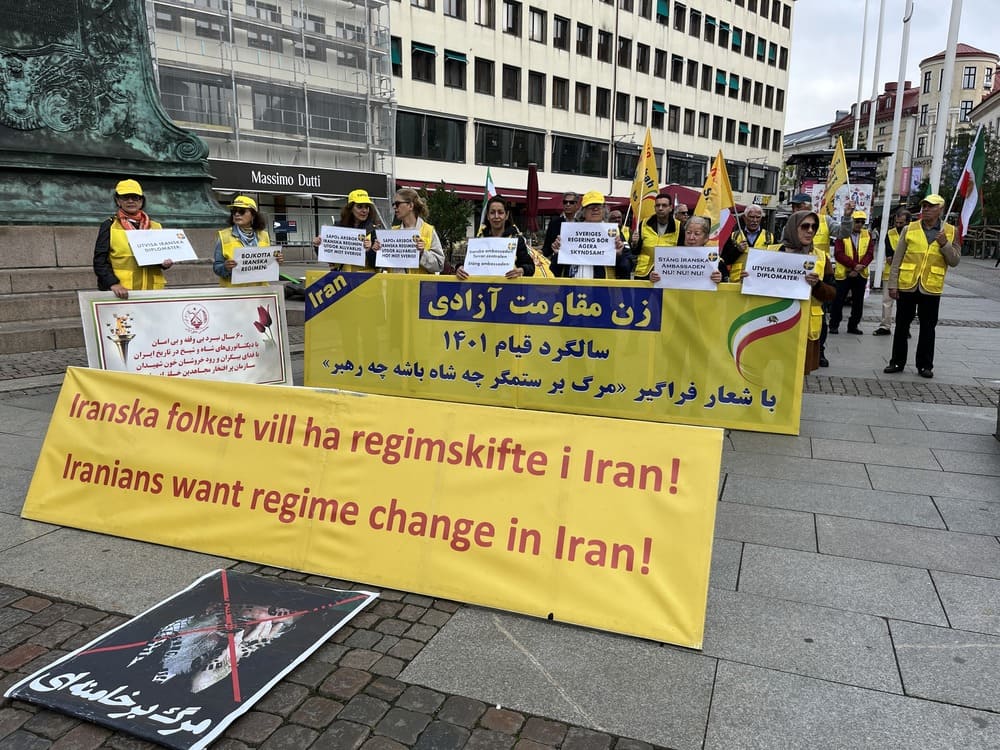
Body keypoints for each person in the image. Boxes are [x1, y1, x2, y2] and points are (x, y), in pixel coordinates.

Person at [883, 194, 961, 378]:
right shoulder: (909, 229)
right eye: (924, 206)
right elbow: (897, 259)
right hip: (908, 284)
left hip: (931, 286)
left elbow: (954, 261)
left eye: (931, 206)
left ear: (940, 209)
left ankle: (925, 365)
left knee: (928, 327)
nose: (926, 209)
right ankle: (897, 361)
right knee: (902, 326)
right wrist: (893, 284)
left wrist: (945, 244)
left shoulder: (951, 231)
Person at [93, 179, 173, 299]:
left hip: (152, 291)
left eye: (135, 197)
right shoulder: (109, 226)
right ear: (118, 201)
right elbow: (100, 261)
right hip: (123, 291)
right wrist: (112, 283)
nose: (130, 201)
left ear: (141, 201)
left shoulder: (156, 226)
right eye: (125, 197)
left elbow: (159, 258)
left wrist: (165, 264)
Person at [779, 210, 836, 374]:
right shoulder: (773, 252)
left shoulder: (821, 257)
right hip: (776, 326)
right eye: (805, 226)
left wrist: (817, 285)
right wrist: (748, 278)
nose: (810, 231)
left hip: (806, 328)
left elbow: (832, 293)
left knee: (799, 375)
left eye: (814, 227)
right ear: (793, 228)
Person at [550, 191, 632, 279]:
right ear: (583, 211)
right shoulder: (571, 232)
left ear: (604, 210)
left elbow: (627, 268)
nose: (595, 209)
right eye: (590, 206)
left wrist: (618, 256)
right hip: (572, 285)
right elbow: (554, 271)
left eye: (599, 206)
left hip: (602, 286)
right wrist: (558, 255)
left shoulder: (615, 233)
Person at [456, 195, 535, 279]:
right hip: (483, 286)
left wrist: (521, 270)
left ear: (507, 215)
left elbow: (530, 267)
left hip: (509, 286)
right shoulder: (479, 239)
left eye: (500, 212)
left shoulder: (516, 240)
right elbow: (466, 264)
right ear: (487, 216)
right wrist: (459, 268)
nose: (496, 216)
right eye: (492, 212)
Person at [213, 196, 283, 287]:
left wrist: (276, 260)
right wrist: (225, 268)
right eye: (234, 211)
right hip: (234, 292)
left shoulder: (264, 235)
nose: (237, 214)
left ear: (253, 215)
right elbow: (217, 267)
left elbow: (268, 263)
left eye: (241, 211)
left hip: (260, 291)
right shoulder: (224, 236)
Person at [312, 189, 381, 272]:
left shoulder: (374, 231)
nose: (364, 210)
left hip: (367, 278)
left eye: (366, 207)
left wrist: (371, 250)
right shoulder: (338, 228)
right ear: (350, 208)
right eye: (359, 207)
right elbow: (328, 257)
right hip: (342, 277)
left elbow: (377, 264)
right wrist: (318, 245)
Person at [828, 210, 873, 334]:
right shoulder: (842, 233)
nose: (860, 224)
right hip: (844, 274)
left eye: (862, 222)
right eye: (857, 221)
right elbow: (839, 254)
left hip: (860, 273)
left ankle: (853, 325)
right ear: (852, 221)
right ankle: (834, 324)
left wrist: (859, 267)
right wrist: (854, 266)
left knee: (858, 302)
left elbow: (869, 253)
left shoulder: (867, 235)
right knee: (838, 301)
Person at [648, 215, 723, 285]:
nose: (691, 237)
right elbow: (657, 276)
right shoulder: (670, 257)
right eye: (688, 233)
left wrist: (719, 278)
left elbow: (725, 283)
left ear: (706, 238)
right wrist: (653, 277)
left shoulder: (715, 261)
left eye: (697, 234)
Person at [873, 208, 910, 336]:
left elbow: (912, 254)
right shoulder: (890, 233)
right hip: (890, 273)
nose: (898, 225)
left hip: (907, 274)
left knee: (905, 304)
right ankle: (885, 326)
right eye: (896, 222)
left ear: (908, 222)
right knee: (887, 301)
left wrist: (899, 256)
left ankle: (904, 328)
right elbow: (889, 258)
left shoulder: (913, 233)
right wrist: (902, 256)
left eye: (901, 223)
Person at [390, 188, 445, 274]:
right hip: (396, 282)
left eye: (397, 204)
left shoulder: (429, 231)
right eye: (393, 204)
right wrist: (377, 251)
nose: (394, 207)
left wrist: (422, 253)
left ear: (410, 206)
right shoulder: (392, 231)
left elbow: (439, 265)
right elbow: (383, 264)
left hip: (421, 283)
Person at [631, 191, 681, 280]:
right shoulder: (644, 223)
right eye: (658, 205)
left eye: (664, 205)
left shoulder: (679, 227)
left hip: (667, 273)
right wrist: (634, 244)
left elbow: (682, 252)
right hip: (643, 273)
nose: (660, 208)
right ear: (654, 207)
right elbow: (635, 252)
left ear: (670, 208)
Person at [727, 205, 774, 279]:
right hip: (737, 281)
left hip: (758, 280)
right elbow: (726, 259)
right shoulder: (734, 236)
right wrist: (737, 250)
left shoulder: (769, 237)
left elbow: (774, 261)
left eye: (758, 217)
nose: (755, 220)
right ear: (744, 218)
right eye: (751, 217)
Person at [541, 191, 580, 262]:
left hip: (576, 261)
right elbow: (547, 247)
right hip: (557, 262)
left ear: (577, 205)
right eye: (565, 202)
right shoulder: (554, 223)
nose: (568, 204)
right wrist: (540, 252)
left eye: (571, 202)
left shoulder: (583, 223)